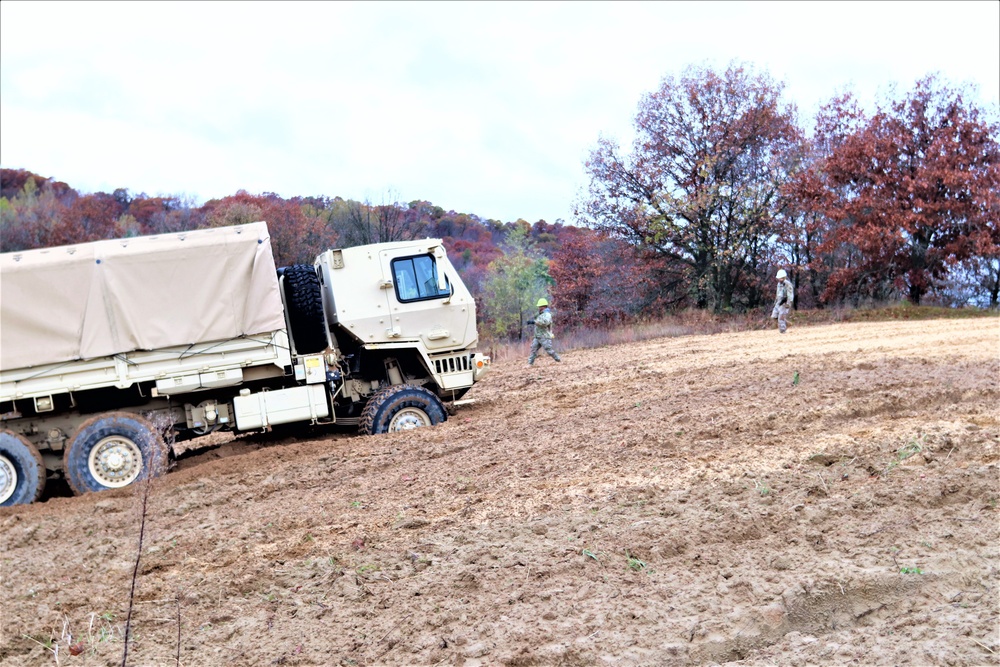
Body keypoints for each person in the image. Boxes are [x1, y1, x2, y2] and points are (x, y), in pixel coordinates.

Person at [527, 297, 561, 365]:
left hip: (544, 336)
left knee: (549, 350)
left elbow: (545, 323)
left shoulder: (547, 315)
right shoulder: (541, 314)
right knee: (533, 350)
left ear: (543, 307)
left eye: (539, 306)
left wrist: (534, 322)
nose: (538, 308)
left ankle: (558, 360)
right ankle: (530, 364)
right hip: (538, 336)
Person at [771, 269, 794, 334]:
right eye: (779, 278)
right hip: (778, 302)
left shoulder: (788, 284)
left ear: (784, 277)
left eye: (780, 278)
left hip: (784, 302)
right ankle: (787, 324)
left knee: (781, 317)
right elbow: (777, 293)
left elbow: (790, 294)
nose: (779, 279)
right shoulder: (779, 284)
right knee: (774, 316)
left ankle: (783, 331)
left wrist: (788, 303)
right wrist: (776, 301)